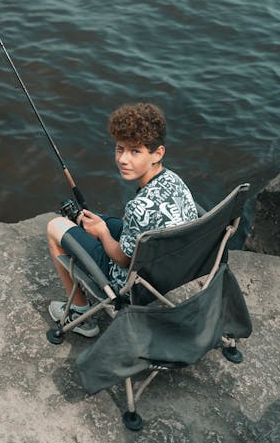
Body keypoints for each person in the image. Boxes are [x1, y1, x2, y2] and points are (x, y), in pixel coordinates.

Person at [47, 102, 198, 336]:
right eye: (120, 149)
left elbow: (121, 259)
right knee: (102, 221)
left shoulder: (138, 207)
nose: (123, 159)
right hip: (169, 272)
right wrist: (100, 227)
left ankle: (79, 312)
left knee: (54, 226)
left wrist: (103, 234)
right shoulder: (174, 180)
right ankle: (89, 228)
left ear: (157, 153)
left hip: (132, 285)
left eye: (135, 151)